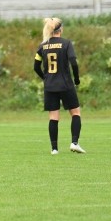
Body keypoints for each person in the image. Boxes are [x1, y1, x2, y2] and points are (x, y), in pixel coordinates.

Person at [33, 17, 85, 155]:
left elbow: (36, 66)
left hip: (50, 86)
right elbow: (73, 61)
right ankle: (74, 143)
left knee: (53, 117)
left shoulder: (42, 46)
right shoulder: (66, 43)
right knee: (75, 113)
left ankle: (54, 149)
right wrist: (77, 79)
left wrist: (45, 78)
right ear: (60, 29)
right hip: (66, 84)